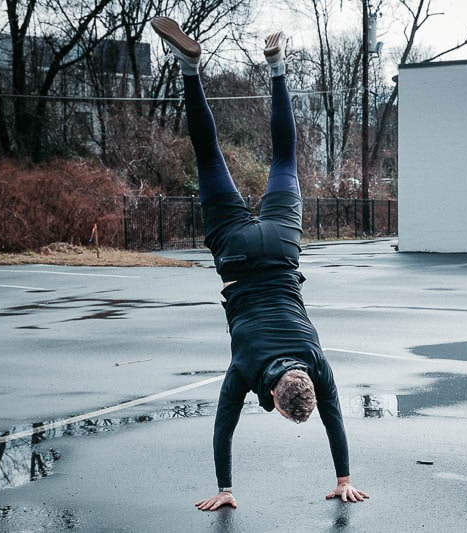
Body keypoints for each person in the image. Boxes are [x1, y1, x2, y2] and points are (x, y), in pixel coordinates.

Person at [150, 17, 369, 512]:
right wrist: (225, 488)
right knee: (208, 158)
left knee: (285, 160)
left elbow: (334, 417)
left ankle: (277, 68)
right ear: (274, 393)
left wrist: (345, 476)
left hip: (280, 247)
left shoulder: (316, 364)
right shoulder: (249, 367)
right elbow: (223, 423)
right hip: (234, 254)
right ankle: (188, 69)